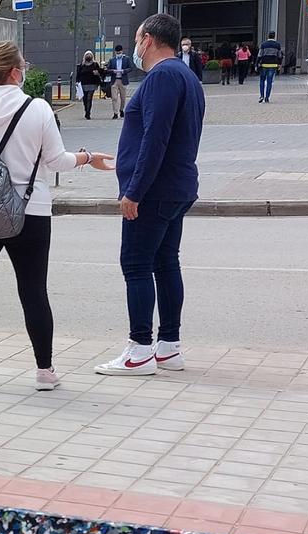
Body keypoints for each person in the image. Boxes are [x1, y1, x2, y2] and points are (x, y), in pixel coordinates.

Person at [0, 42, 114, 391]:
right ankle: (44, 371)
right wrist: (87, 157)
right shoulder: (36, 109)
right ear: (14, 72)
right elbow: (56, 162)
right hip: (30, 210)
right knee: (33, 291)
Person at [97, 13, 205, 377]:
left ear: (150, 40)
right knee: (165, 262)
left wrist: (133, 190)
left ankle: (139, 349)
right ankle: (168, 347)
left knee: (136, 265)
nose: (136, 45)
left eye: (138, 37)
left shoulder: (161, 77)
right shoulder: (187, 76)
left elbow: (154, 138)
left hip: (154, 191)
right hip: (177, 186)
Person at [75, 51, 105, 119]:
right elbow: (78, 74)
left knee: (89, 98)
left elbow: (100, 71)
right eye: (87, 55)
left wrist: (97, 73)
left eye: (90, 55)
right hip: (83, 84)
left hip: (92, 84)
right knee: (85, 99)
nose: (88, 56)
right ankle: (86, 109)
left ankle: (88, 112)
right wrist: (77, 82)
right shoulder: (81, 65)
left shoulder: (95, 64)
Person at [107, 45, 133, 118]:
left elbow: (131, 68)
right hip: (114, 80)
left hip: (123, 80)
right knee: (114, 98)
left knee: (123, 98)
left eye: (119, 52)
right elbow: (108, 69)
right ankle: (115, 113)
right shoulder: (112, 60)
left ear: (122, 51)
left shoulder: (126, 59)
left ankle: (121, 110)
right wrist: (113, 71)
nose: (118, 53)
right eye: (117, 52)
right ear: (115, 52)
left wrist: (123, 71)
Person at [257, 32, 282, 103]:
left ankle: (261, 95)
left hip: (264, 64)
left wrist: (257, 64)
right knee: (269, 82)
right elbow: (279, 56)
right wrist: (279, 64)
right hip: (273, 65)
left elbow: (260, 55)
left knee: (262, 80)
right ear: (274, 36)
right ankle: (267, 97)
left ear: (268, 36)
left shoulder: (263, 44)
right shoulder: (277, 45)